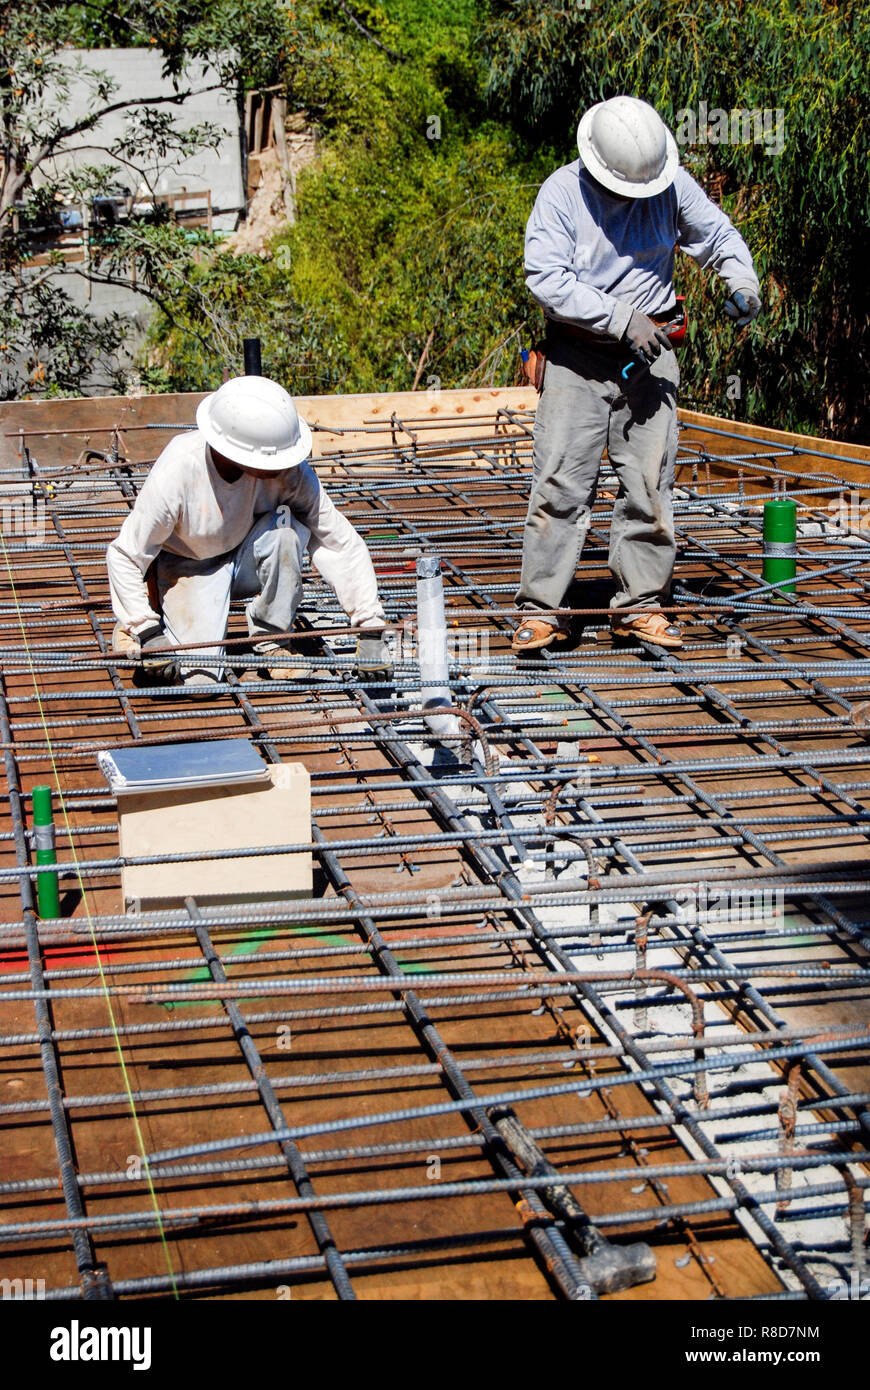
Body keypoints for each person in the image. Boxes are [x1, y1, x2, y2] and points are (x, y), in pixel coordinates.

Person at [514, 94, 761, 653]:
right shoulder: (562, 194)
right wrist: (622, 317)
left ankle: (640, 606)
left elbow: (717, 236)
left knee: (649, 483)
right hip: (579, 356)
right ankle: (543, 610)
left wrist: (741, 280)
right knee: (560, 482)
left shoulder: (668, 184)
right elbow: (546, 278)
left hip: (651, 358)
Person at [107, 374, 390, 686]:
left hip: (244, 557)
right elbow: (125, 555)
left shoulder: (289, 472)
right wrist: (146, 631)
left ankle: (272, 640)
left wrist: (370, 628)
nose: (286, 465)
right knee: (201, 685)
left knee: (287, 532)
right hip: (187, 566)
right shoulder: (179, 470)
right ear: (238, 454)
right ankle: (138, 615)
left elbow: (338, 541)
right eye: (277, 459)